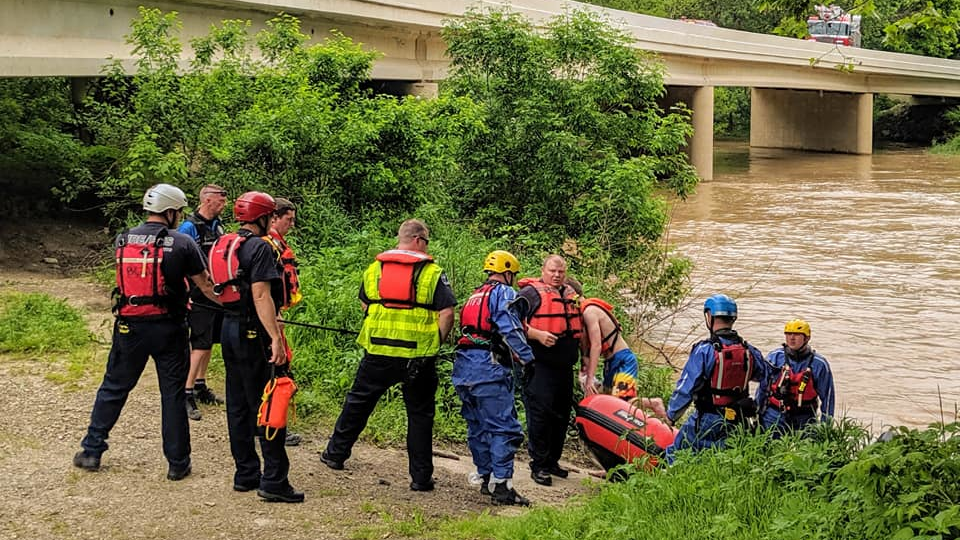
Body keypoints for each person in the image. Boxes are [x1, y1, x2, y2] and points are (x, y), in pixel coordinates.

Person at [73, 184, 218, 480]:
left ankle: (91, 450)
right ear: (170, 212)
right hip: (169, 328)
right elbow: (206, 286)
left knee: (114, 387)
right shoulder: (181, 243)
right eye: (177, 211)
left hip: (129, 325)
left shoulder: (122, 238)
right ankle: (178, 463)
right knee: (173, 395)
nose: (179, 216)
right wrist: (238, 305)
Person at [320, 219, 456, 492]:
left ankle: (335, 454)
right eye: (427, 241)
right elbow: (447, 313)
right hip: (418, 355)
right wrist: (435, 340)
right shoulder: (432, 272)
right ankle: (420, 478)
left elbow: (364, 302)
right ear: (418, 240)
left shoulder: (375, 268)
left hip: (378, 350)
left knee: (358, 402)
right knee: (419, 415)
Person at [213, 191, 303, 503]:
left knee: (237, 403)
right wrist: (275, 338)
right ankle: (274, 480)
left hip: (228, 328)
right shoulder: (260, 248)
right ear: (264, 217)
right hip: (254, 332)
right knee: (269, 402)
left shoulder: (224, 244)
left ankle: (246, 473)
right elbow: (261, 295)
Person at [454, 250, 534, 506]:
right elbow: (509, 326)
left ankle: (486, 476)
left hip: (464, 368)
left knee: (477, 427)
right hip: (488, 369)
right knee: (503, 428)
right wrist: (527, 358)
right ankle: (502, 486)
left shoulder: (474, 295)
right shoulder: (504, 293)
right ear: (508, 272)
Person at [665, 294, 765, 461]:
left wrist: (671, 416)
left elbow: (685, 389)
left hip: (708, 417)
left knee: (676, 452)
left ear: (709, 316)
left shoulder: (704, 350)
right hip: (738, 420)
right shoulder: (749, 351)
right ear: (733, 319)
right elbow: (764, 376)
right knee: (723, 458)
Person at [517, 255, 581, 486]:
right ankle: (539, 465)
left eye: (561, 272)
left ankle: (552, 461)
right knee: (540, 415)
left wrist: (585, 363)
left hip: (564, 367)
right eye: (552, 271)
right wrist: (536, 334)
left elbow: (580, 329)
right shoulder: (530, 294)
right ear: (543, 270)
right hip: (539, 365)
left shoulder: (571, 295)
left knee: (561, 416)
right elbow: (509, 322)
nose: (556, 275)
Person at [178, 184, 228, 421]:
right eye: (221, 201)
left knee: (208, 341)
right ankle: (185, 393)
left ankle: (200, 384)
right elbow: (180, 259)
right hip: (197, 293)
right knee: (199, 342)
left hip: (216, 291)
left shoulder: (217, 226)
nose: (224, 205)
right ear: (207, 201)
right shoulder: (189, 227)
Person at [578, 295, 668, 418]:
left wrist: (590, 378)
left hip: (623, 360)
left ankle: (654, 403)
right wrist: (584, 375)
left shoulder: (589, 312)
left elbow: (596, 345)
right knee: (607, 400)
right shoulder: (580, 319)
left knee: (620, 403)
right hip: (610, 363)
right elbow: (586, 353)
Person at [262, 197, 304, 447]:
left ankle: (267, 422)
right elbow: (264, 289)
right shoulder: (267, 246)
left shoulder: (273, 244)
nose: (291, 224)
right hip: (269, 319)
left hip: (273, 315)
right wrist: (275, 320)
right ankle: (274, 427)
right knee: (278, 371)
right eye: (288, 219)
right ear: (274, 217)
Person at [756, 319, 835, 437]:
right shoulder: (775, 357)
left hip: (805, 417)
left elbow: (828, 398)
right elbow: (763, 387)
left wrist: (825, 427)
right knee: (768, 449)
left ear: (807, 338)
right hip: (775, 415)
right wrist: (757, 412)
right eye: (788, 334)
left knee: (807, 451)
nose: (792, 338)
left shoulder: (819, 364)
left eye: (797, 334)